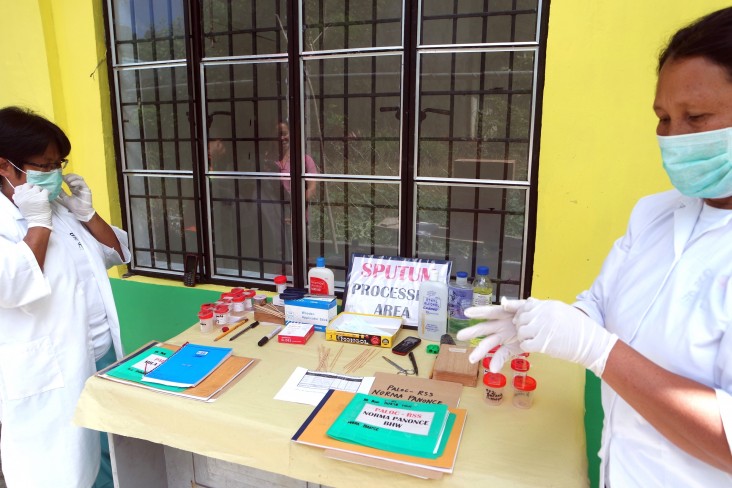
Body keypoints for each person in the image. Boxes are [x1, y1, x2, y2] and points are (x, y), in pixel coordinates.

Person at [458, 7, 732, 487]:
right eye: (663, 118)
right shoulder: (655, 213)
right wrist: (543, 324)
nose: (672, 139)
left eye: (696, 117)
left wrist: (597, 351)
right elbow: (599, 306)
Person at [0, 106, 129, 487]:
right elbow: (11, 284)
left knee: (109, 452)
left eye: (59, 163)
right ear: (5, 166)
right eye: (44, 164)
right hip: (49, 367)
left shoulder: (57, 207)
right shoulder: (22, 216)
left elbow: (117, 253)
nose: (55, 174)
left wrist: (87, 214)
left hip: (100, 352)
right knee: (64, 467)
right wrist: (37, 224)